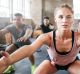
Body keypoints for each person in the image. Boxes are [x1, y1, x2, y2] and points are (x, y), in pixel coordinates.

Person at [0, 3, 80, 74]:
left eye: (68, 17)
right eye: (60, 17)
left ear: (72, 20)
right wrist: (9, 60)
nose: (64, 20)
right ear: (55, 19)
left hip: (72, 62)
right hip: (53, 62)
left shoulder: (77, 37)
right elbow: (30, 48)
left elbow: (29, 30)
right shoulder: (47, 37)